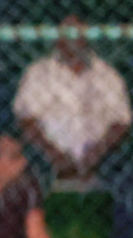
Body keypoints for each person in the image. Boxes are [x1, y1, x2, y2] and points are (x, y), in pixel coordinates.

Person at [13, 16, 130, 185]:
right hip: (46, 166)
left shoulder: (107, 74)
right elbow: (26, 120)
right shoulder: (38, 73)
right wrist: (56, 158)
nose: (73, 38)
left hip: (103, 165)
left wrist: (94, 156)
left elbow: (121, 121)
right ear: (56, 37)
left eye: (78, 32)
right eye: (67, 31)